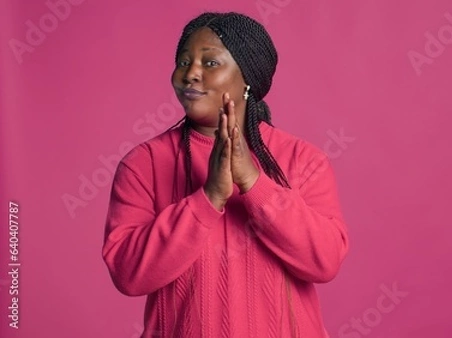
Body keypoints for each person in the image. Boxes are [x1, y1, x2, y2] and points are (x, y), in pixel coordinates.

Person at [101, 11, 349, 338]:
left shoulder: (303, 159)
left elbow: (325, 261)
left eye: (210, 63)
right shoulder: (143, 163)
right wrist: (208, 198)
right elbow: (128, 273)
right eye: (183, 61)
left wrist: (253, 183)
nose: (191, 73)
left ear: (247, 77)